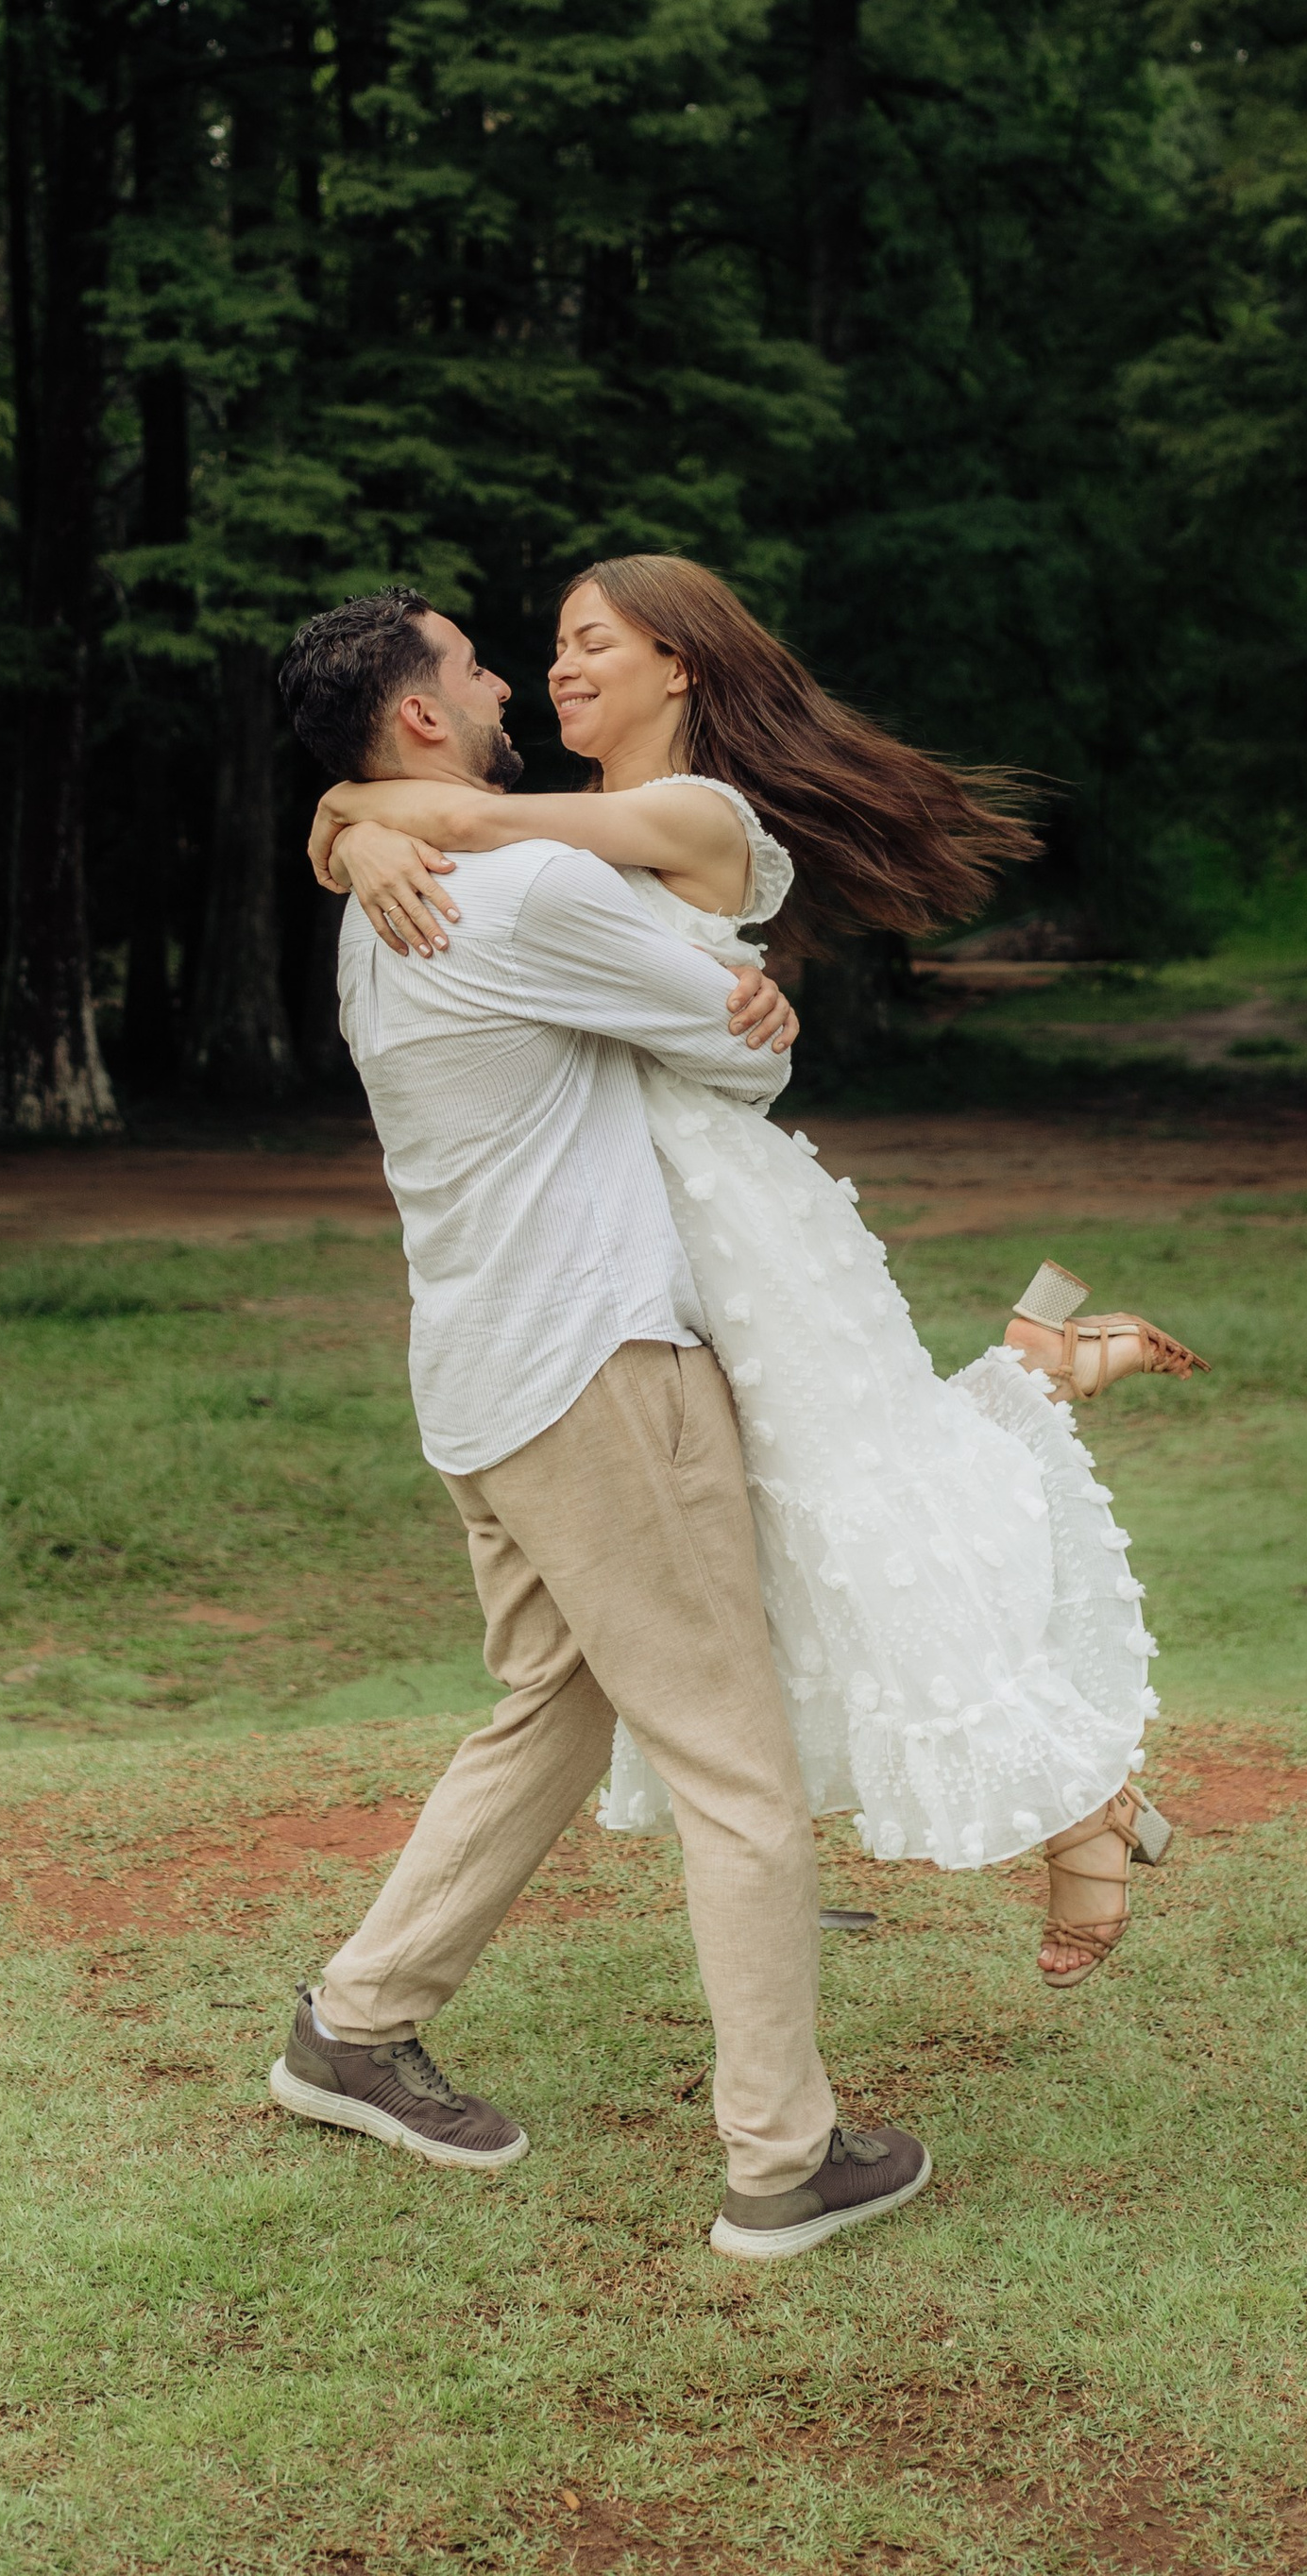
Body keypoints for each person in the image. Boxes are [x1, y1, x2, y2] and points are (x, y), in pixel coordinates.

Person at [306, 554, 1210, 2011]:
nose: (552, 669)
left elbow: (465, 814)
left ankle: (1082, 1804)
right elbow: (460, 822)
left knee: (866, 1500)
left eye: (592, 641)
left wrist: (352, 818)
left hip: (721, 1202)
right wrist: (355, 831)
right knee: (814, 1525)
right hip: (649, 1225)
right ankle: (1045, 1368)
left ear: (684, 668)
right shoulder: (556, 844)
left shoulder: (693, 814)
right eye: (543, 648)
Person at [273, 584, 932, 2262]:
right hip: (600, 1369)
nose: (509, 679)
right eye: (478, 667)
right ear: (423, 720)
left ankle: (355, 2022)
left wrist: (347, 829)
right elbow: (739, 1051)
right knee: (732, 1759)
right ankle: (783, 2160)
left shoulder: (380, 906)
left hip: (483, 1379)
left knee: (552, 1710)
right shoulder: (534, 886)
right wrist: (751, 1012)